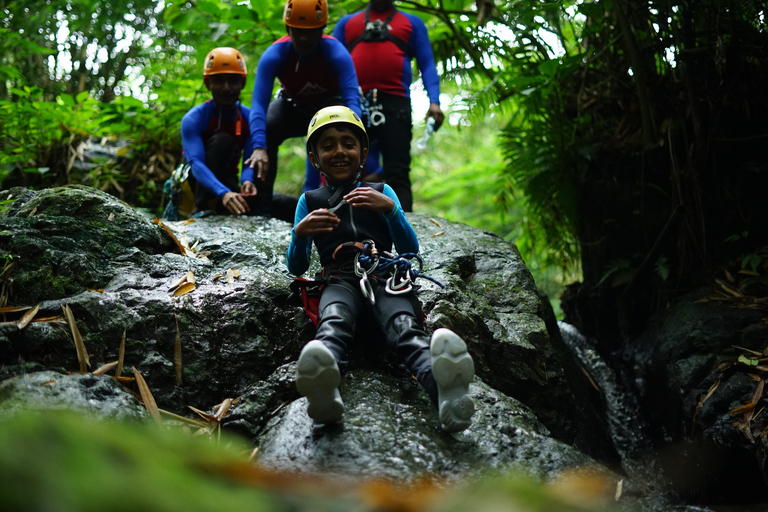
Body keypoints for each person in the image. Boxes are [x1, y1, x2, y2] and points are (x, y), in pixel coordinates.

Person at [286, 106, 474, 432]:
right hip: (339, 280)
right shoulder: (310, 201)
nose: (339, 151)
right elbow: (297, 266)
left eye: (348, 143)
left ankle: (443, 390)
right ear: (314, 158)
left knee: (404, 327)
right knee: (333, 322)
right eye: (327, 145)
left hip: (384, 275)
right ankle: (325, 388)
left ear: (363, 152)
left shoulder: (383, 192)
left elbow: (411, 250)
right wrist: (300, 234)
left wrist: (392, 212)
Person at [246, 0, 361, 217]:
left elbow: (352, 100)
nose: (304, 38)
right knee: (268, 128)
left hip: (330, 110)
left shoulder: (335, 52)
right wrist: (259, 147)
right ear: (288, 29)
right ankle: (261, 211)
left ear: (321, 30)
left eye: (311, 32)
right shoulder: (275, 54)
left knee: (344, 137)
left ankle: (345, 205)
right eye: (298, 32)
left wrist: (356, 136)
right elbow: (258, 106)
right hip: (294, 108)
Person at [332, 0, 445, 212]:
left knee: (397, 170)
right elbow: (330, 63)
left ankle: (404, 229)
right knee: (344, 167)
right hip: (352, 102)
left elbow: (427, 64)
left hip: (396, 102)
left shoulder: (412, 23)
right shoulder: (347, 24)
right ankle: (343, 226)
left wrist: (435, 101)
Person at [179, 47, 256, 216]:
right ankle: (201, 208)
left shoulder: (249, 117)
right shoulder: (194, 118)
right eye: (219, 81)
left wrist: (247, 181)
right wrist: (223, 193)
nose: (226, 88)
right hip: (196, 185)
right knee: (223, 141)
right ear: (208, 84)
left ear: (242, 83)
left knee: (280, 204)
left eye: (232, 81)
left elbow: (249, 160)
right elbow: (196, 163)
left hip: (227, 183)